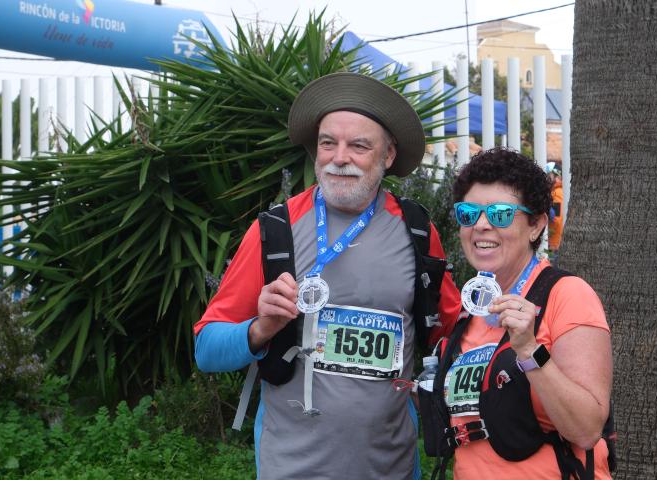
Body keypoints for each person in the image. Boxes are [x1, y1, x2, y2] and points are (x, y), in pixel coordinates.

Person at [193, 72, 461, 480]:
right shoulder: (275, 230)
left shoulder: (417, 232)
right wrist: (260, 330)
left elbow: (452, 336)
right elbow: (206, 349)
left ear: (387, 156)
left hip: (392, 468)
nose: (340, 157)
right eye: (328, 143)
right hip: (291, 468)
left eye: (358, 146)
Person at [425, 147, 612, 479]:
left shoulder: (567, 294)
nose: (481, 225)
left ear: (536, 225)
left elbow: (585, 430)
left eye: (499, 214)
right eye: (468, 214)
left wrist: (528, 349)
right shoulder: (474, 308)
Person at [545, 162, 564, 264]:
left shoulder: (557, 193)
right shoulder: (556, 192)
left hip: (554, 244)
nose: (547, 178)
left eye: (549, 175)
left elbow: (556, 219)